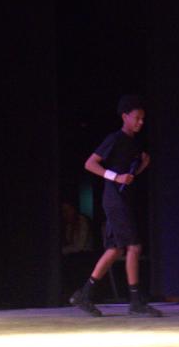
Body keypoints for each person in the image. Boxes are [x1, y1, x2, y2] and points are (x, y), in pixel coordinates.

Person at [69, 95, 160, 317]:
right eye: (137, 118)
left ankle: (84, 294)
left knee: (115, 249)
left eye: (143, 118)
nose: (140, 122)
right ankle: (135, 301)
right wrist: (115, 176)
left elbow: (129, 176)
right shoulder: (115, 138)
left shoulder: (133, 143)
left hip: (122, 198)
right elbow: (90, 164)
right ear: (125, 117)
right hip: (115, 200)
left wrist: (142, 166)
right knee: (134, 247)